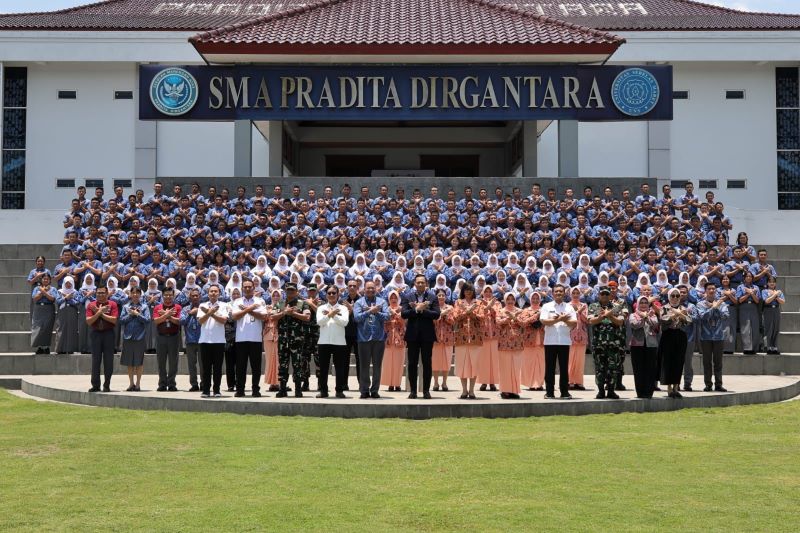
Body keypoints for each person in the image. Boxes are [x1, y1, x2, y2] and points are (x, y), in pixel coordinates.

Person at [400, 274, 441, 399]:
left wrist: (423, 310)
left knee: (427, 363)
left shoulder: (432, 297)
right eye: (418, 282)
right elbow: (403, 314)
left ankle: (426, 391)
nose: (420, 284)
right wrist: (417, 309)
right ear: (414, 283)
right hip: (412, 335)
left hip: (427, 335)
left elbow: (437, 314)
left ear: (426, 284)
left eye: (422, 282)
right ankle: (413, 391)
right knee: (412, 363)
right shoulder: (408, 296)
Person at [587, 286, 627, 399]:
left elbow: (620, 322)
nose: (604, 296)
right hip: (598, 343)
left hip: (613, 343)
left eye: (606, 294)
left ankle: (611, 391)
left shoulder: (616, 307)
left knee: (613, 368)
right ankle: (600, 391)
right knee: (599, 368)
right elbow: (591, 321)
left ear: (610, 295)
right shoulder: (593, 306)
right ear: (599, 295)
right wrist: (602, 316)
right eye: (602, 294)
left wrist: (610, 315)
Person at [230, 279, 268, 397]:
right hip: (241, 338)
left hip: (255, 338)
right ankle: (240, 389)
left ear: (253, 288)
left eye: (249, 287)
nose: (247, 289)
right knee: (240, 366)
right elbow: (235, 316)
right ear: (242, 288)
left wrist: (247, 310)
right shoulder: (237, 301)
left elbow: (264, 316)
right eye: (245, 287)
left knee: (256, 367)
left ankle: (255, 389)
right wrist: (251, 309)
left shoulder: (260, 301)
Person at [354, 280, 390, 399]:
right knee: (364, 366)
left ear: (376, 289)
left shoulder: (382, 302)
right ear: (364, 289)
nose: (370, 290)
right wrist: (370, 311)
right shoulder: (359, 302)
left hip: (378, 338)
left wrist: (377, 312)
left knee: (377, 366)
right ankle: (364, 390)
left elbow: (387, 316)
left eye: (372, 288)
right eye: (368, 288)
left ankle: (375, 390)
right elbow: (357, 318)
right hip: (363, 338)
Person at [540, 285, 577, 399]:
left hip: (564, 341)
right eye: (556, 291)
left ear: (565, 293)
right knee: (549, 368)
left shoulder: (569, 307)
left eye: (561, 291)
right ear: (552, 293)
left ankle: (564, 392)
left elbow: (574, 323)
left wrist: (563, 319)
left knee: (564, 368)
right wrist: (559, 319)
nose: (558, 293)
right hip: (550, 341)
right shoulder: (547, 306)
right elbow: (544, 321)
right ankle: (549, 392)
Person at [451, 282, 484, 399]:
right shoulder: (458, 303)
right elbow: (455, 317)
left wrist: (472, 312)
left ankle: (472, 390)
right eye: (466, 290)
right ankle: (464, 390)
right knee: (462, 365)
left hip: (475, 339)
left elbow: (482, 317)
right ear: (463, 291)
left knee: (474, 365)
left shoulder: (478, 303)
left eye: (470, 290)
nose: (468, 292)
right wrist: (467, 312)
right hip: (461, 338)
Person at [316, 285, 350, 398]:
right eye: (329, 293)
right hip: (324, 341)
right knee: (323, 368)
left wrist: (332, 315)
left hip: (339, 342)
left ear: (337, 294)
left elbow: (344, 322)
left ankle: (339, 390)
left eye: (333, 293)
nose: (331, 295)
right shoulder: (321, 308)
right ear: (326, 295)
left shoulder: (343, 308)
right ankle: (323, 391)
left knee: (340, 368)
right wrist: (331, 314)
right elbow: (320, 322)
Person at [658, 288, 693, 398]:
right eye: (672, 296)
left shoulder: (683, 308)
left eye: (677, 296)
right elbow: (663, 320)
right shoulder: (664, 308)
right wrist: (675, 315)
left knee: (679, 362)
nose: (675, 298)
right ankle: (669, 388)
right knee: (668, 361)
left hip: (680, 336)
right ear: (669, 297)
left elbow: (689, 321)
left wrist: (680, 314)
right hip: (668, 335)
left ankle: (676, 387)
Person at [696, 282, 730, 392]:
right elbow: (702, 317)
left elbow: (725, 316)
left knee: (718, 362)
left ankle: (719, 384)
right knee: (707, 362)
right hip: (705, 337)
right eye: (709, 289)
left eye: (713, 289)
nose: (712, 291)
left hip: (719, 337)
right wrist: (712, 308)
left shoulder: (721, 303)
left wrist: (716, 308)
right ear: (705, 291)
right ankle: (708, 384)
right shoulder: (700, 304)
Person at [198, 284, 229, 398]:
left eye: (216, 291)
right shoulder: (203, 305)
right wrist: (210, 312)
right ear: (208, 293)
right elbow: (201, 321)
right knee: (206, 368)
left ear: (219, 293)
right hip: (205, 341)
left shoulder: (224, 305)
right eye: (211, 291)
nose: (213, 293)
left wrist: (210, 312)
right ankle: (206, 390)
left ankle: (217, 390)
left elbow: (223, 320)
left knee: (217, 368)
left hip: (219, 341)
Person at [85, 285, 119, 392]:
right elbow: (89, 321)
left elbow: (113, 320)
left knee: (108, 360)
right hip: (96, 334)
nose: (100, 295)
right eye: (98, 293)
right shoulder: (91, 305)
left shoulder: (112, 304)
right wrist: (100, 312)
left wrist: (100, 313)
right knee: (96, 360)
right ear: (95, 293)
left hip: (108, 334)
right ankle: (95, 385)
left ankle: (107, 385)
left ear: (107, 293)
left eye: (103, 293)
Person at [628, 295, 660, 399]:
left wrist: (647, 317)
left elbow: (655, 325)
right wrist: (644, 317)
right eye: (641, 303)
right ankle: (640, 392)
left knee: (650, 369)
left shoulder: (653, 315)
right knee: (638, 369)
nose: (643, 305)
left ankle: (649, 392)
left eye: (646, 303)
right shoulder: (633, 315)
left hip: (651, 344)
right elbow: (635, 325)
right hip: (637, 345)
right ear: (637, 304)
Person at [119, 286, 150, 392]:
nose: (135, 295)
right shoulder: (125, 307)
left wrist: (137, 315)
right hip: (128, 337)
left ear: (140, 294)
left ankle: (138, 384)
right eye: (133, 293)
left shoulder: (145, 307)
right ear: (130, 294)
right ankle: (131, 383)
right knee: (129, 362)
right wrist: (130, 315)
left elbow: (147, 320)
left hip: (140, 337)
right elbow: (121, 320)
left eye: (137, 293)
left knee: (139, 362)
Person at [495, 292, 525, 399]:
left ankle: (514, 390)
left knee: (516, 367)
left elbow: (524, 323)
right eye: (508, 299)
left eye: (512, 299)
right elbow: (498, 322)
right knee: (505, 368)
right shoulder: (500, 311)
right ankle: (505, 390)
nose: (510, 301)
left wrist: (515, 318)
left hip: (517, 342)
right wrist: (508, 318)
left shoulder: (520, 311)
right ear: (504, 300)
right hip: (504, 343)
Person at [153, 286, 182, 392]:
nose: (168, 297)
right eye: (166, 295)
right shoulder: (157, 307)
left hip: (174, 337)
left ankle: (171, 383)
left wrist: (166, 316)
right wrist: (168, 314)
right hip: (161, 337)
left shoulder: (178, 307)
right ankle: (162, 383)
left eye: (170, 295)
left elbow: (178, 321)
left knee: (173, 362)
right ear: (162, 295)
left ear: (173, 295)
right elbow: (156, 321)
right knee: (161, 362)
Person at [381, 290, 406, 392]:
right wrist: (389, 314)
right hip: (388, 339)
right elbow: (383, 322)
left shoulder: (402, 309)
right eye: (391, 298)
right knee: (388, 362)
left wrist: (395, 313)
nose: (393, 299)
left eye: (395, 297)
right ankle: (390, 384)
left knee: (398, 362)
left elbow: (403, 322)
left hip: (400, 339)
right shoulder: (385, 309)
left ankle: (397, 384)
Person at [520, 292, 545, 391]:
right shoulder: (526, 310)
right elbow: (523, 323)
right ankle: (531, 383)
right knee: (529, 363)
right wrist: (536, 316)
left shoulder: (544, 310)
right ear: (530, 300)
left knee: (541, 363)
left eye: (537, 298)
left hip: (542, 339)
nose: (535, 300)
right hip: (529, 340)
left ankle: (538, 383)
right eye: (533, 298)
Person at [179, 288, 203, 392]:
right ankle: (194, 384)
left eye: (196, 295)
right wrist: (190, 313)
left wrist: (198, 312)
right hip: (190, 340)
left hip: (202, 340)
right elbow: (181, 321)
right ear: (189, 297)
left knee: (203, 364)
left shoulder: (204, 308)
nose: (195, 297)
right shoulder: (185, 309)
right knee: (191, 364)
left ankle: (204, 383)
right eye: (193, 296)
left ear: (200, 297)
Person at [477, 285, 499, 393]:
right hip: (483, 335)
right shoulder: (479, 303)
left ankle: (492, 382)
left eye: (490, 291)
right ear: (483, 292)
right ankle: (484, 382)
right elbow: (479, 315)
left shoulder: (497, 303)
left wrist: (491, 306)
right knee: (484, 360)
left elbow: (498, 315)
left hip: (495, 336)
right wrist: (486, 307)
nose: (488, 293)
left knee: (494, 360)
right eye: (486, 291)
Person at [53, 275, 83, 354]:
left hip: (72, 311)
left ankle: (70, 349)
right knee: (61, 329)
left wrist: (67, 299)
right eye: (67, 283)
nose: (68, 285)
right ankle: (60, 348)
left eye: (70, 283)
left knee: (71, 329)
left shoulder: (75, 292)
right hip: (62, 311)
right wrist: (66, 298)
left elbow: (77, 302)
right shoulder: (59, 291)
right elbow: (58, 301)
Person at [301, 283, 322, 392]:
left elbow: (322, 314)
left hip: (317, 334)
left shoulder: (321, 302)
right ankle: (305, 382)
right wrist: (308, 303)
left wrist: (312, 304)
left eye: (314, 291)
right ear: (307, 291)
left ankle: (320, 382)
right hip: (305, 334)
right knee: (305, 359)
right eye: (310, 291)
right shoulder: (303, 303)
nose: (312, 292)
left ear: (317, 291)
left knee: (318, 359)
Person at [432, 290, 454, 392]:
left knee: (446, 361)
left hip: (447, 337)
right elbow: (432, 321)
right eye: (439, 295)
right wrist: (440, 314)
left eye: (443, 295)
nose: (441, 297)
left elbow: (453, 321)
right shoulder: (433, 308)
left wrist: (445, 314)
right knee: (435, 361)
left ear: (446, 297)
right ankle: (435, 382)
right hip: (435, 337)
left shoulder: (450, 308)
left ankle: (444, 382)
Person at [31, 273, 58, 354]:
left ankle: (46, 347)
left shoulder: (53, 289)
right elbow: (35, 299)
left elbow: (52, 299)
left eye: (47, 279)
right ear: (41, 280)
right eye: (44, 279)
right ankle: (39, 347)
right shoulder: (36, 288)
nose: (45, 280)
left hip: (49, 308)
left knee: (47, 328)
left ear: (50, 280)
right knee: (38, 328)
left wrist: (44, 292)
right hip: (38, 309)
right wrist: (42, 292)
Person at [567, 286, 588, 391]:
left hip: (582, 336)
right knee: (570, 360)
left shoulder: (584, 305)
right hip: (570, 336)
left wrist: (579, 311)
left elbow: (587, 320)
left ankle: (579, 382)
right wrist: (575, 311)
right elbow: (567, 319)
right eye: (573, 293)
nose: (575, 295)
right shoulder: (567, 306)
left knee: (580, 360)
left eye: (577, 293)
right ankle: (570, 381)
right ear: (570, 294)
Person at [735, 271, 760, 354]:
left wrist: (751, 293)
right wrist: (748, 294)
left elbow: (757, 300)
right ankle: (747, 348)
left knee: (755, 327)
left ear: (752, 278)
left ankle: (754, 348)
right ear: (744, 278)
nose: (748, 278)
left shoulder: (756, 287)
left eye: (750, 276)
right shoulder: (740, 287)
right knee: (745, 328)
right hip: (744, 307)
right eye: (747, 276)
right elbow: (740, 300)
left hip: (753, 306)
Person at [263, 289, 282, 392]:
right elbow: (264, 318)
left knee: (278, 360)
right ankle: (271, 383)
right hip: (268, 335)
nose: (275, 297)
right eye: (274, 295)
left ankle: (278, 382)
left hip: (279, 334)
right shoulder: (266, 307)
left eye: (277, 295)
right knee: (270, 360)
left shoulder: (283, 307)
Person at [761, 276, 784, 354]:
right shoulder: (764, 291)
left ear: (775, 283)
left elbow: (782, 302)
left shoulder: (778, 291)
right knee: (769, 328)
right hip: (768, 309)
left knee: (775, 328)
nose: (772, 283)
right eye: (770, 282)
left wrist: (775, 295)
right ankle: (768, 347)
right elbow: (767, 301)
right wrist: (775, 295)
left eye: (773, 282)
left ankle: (774, 347)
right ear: (767, 283)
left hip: (776, 309)